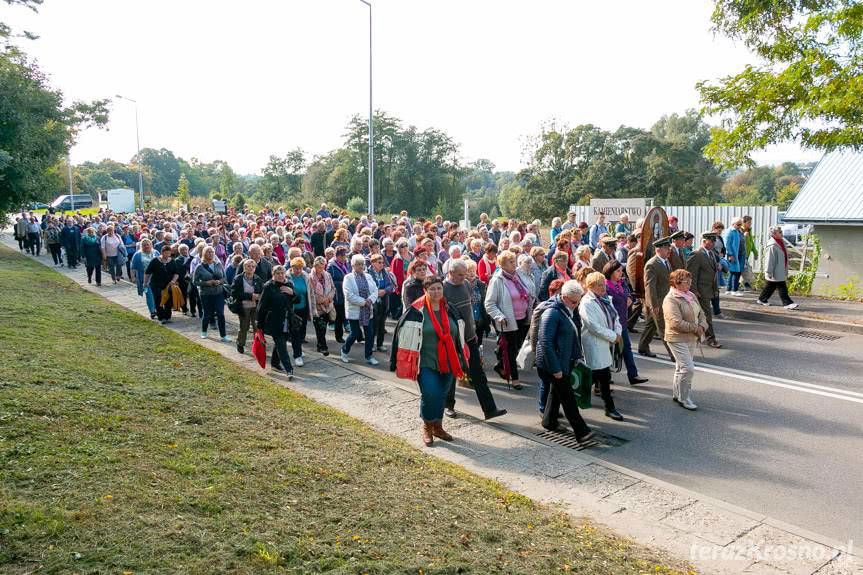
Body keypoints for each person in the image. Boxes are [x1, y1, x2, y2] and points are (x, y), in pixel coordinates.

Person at [389, 276, 468, 446]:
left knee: (442, 394)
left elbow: (460, 331)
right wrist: (398, 359)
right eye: (432, 289)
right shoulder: (416, 310)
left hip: (449, 360)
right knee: (431, 393)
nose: (436, 292)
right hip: (425, 361)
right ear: (425, 290)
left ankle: (437, 426)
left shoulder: (450, 308)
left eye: (439, 288)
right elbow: (401, 334)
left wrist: (463, 354)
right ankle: (426, 426)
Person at [442, 259, 507, 420]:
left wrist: (473, 331)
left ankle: (489, 410)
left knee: (478, 375)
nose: (464, 277)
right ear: (450, 273)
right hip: (452, 340)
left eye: (465, 274)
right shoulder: (442, 288)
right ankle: (447, 406)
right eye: (460, 275)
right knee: (451, 374)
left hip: (470, 338)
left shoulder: (466, 284)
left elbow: (469, 310)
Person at [535, 280, 594, 442]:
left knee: (556, 392)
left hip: (564, 361)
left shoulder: (569, 309)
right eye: (574, 301)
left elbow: (574, 335)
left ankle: (549, 421)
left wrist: (577, 355)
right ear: (565, 297)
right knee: (567, 398)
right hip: (552, 363)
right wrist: (555, 369)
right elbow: (545, 342)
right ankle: (581, 432)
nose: (577, 304)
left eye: (579, 301)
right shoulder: (552, 313)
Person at [485, 250, 535, 390]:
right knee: (512, 350)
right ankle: (515, 378)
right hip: (507, 320)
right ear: (502, 265)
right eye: (511, 262)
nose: (514, 264)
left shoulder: (517, 276)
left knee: (516, 347)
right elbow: (489, 303)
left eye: (514, 261)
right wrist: (499, 316)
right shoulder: (497, 280)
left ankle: (500, 364)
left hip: (523, 318)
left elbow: (528, 288)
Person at [580, 272, 624, 421]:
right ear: (590, 287)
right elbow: (593, 327)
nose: (603, 287)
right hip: (594, 344)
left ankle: (609, 407)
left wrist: (617, 332)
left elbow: (615, 317)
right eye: (600, 285)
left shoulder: (606, 299)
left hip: (605, 343)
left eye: (604, 284)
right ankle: (568, 402)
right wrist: (613, 336)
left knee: (603, 376)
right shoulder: (586, 303)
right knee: (595, 376)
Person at [663, 269, 708, 410]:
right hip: (676, 338)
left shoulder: (691, 295)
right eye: (686, 281)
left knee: (680, 367)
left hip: (691, 337)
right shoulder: (670, 299)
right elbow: (675, 323)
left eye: (690, 281)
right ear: (676, 283)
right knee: (688, 368)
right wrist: (696, 328)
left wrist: (702, 325)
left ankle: (677, 394)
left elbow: (701, 313)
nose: (689, 284)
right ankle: (685, 398)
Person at [603, 261, 648, 385]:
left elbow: (629, 293)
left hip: (622, 322)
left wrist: (629, 297)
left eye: (621, 270)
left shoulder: (621, 282)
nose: (621, 273)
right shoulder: (605, 286)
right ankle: (605, 377)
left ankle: (633, 375)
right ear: (610, 272)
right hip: (610, 323)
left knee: (626, 348)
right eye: (618, 271)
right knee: (608, 350)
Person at [255, 265, 296, 378]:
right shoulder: (268, 286)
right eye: (277, 273)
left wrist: (291, 292)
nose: (280, 275)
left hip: (287, 319)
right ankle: (289, 369)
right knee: (281, 344)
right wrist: (259, 324)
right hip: (274, 320)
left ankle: (275, 363)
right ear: (273, 275)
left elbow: (297, 300)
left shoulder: (289, 284)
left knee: (280, 342)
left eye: (282, 273)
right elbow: (261, 306)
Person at [686, 231, 722, 348]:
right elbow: (691, 274)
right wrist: (694, 291)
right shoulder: (696, 254)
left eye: (713, 242)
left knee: (699, 315)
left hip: (709, 290)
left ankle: (694, 335)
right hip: (700, 291)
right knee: (707, 316)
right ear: (704, 241)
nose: (712, 244)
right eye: (710, 241)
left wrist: (715, 288)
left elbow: (713, 274)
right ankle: (711, 338)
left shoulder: (710, 253)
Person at [341, 254, 379, 365]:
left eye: (362, 264)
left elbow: (375, 290)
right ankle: (344, 350)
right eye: (358, 264)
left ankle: (369, 356)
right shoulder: (348, 278)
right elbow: (349, 295)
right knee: (355, 333)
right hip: (355, 310)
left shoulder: (368, 276)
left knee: (370, 334)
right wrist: (363, 302)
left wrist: (370, 300)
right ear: (353, 265)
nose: (361, 266)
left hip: (368, 310)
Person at [638, 236, 672, 358]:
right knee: (664, 328)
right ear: (658, 249)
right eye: (666, 247)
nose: (669, 250)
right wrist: (654, 305)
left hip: (665, 301)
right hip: (657, 302)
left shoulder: (666, 261)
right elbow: (649, 286)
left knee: (651, 326)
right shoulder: (652, 264)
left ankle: (642, 346)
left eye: (669, 247)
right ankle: (675, 355)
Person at [193, 246, 230, 341]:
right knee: (207, 314)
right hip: (206, 294)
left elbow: (224, 278)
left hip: (219, 292)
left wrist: (219, 282)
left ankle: (223, 335)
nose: (211, 253)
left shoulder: (218, 264)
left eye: (212, 252)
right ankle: (204, 331)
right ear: (204, 254)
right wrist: (206, 283)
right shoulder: (199, 267)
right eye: (208, 252)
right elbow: (195, 282)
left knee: (221, 314)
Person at [757, 226, 799, 310]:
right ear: (774, 234)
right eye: (779, 232)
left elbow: (782, 253)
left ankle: (762, 299)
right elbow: (769, 260)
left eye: (781, 231)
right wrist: (768, 271)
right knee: (782, 286)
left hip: (781, 268)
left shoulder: (781, 241)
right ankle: (787, 303)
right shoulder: (772, 245)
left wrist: (787, 255)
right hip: (776, 270)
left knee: (770, 286)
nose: (781, 233)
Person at [231, 258, 263, 354]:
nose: (251, 268)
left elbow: (262, 291)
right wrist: (250, 296)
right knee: (244, 327)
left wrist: (259, 296)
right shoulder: (238, 279)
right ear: (244, 267)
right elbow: (234, 293)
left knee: (256, 327)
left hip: (255, 307)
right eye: (248, 266)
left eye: (253, 266)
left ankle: (257, 346)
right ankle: (240, 343)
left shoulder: (258, 278)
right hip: (243, 307)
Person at [287, 257, 314, 366]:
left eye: (300, 268)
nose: (298, 270)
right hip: (293, 310)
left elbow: (310, 293)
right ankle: (297, 355)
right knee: (295, 332)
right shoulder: (287, 277)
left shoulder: (305, 276)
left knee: (302, 331)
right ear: (292, 267)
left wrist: (313, 307)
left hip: (304, 308)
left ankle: (298, 348)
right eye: (296, 268)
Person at [144, 244, 179, 324]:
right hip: (156, 284)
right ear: (162, 252)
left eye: (169, 253)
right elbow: (147, 272)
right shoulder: (155, 261)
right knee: (158, 299)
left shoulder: (172, 261)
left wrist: (173, 281)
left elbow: (176, 273)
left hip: (168, 284)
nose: (167, 255)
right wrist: (145, 283)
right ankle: (161, 317)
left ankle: (168, 316)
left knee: (169, 300)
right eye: (166, 253)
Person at [309, 256, 335, 356]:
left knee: (323, 328)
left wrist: (329, 298)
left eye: (323, 266)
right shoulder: (310, 277)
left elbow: (333, 288)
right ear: (315, 266)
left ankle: (320, 345)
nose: (322, 269)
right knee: (320, 327)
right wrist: (322, 300)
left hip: (328, 306)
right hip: (317, 307)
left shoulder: (327, 275)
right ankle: (323, 347)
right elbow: (311, 293)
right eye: (319, 267)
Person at [368, 253, 394, 352]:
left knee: (382, 324)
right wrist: (376, 292)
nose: (382, 264)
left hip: (383, 301)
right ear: (373, 263)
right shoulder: (368, 273)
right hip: (373, 302)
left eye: (383, 262)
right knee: (373, 325)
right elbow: (367, 287)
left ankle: (380, 344)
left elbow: (390, 286)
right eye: (379, 262)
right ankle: (371, 344)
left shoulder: (385, 272)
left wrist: (385, 291)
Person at [327, 246, 351, 344]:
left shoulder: (345, 264)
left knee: (343, 315)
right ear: (337, 256)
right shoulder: (331, 266)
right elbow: (329, 281)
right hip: (337, 295)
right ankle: (339, 336)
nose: (345, 258)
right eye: (343, 256)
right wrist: (343, 282)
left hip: (345, 294)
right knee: (339, 317)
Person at [131, 238, 157, 318]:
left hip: (156, 278)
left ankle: (157, 309)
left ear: (151, 245)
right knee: (149, 294)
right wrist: (133, 277)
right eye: (144, 245)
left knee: (157, 294)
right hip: (144, 279)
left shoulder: (156, 252)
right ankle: (152, 311)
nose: (146, 246)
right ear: (141, 246)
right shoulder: (138, 255)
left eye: (148, 244)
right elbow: (133, 267)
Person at [724, 217, 745, 295]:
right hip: (733, 255)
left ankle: (729, 289)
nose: (740, 226)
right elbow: (727, 244)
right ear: (733, 224)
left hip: (737, 254)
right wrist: (730, 254)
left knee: (733, 272)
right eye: (738, 224)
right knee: (736, 272)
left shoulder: (737, 231)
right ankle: (734, 290)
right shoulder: (730, 231)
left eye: (741, 224)